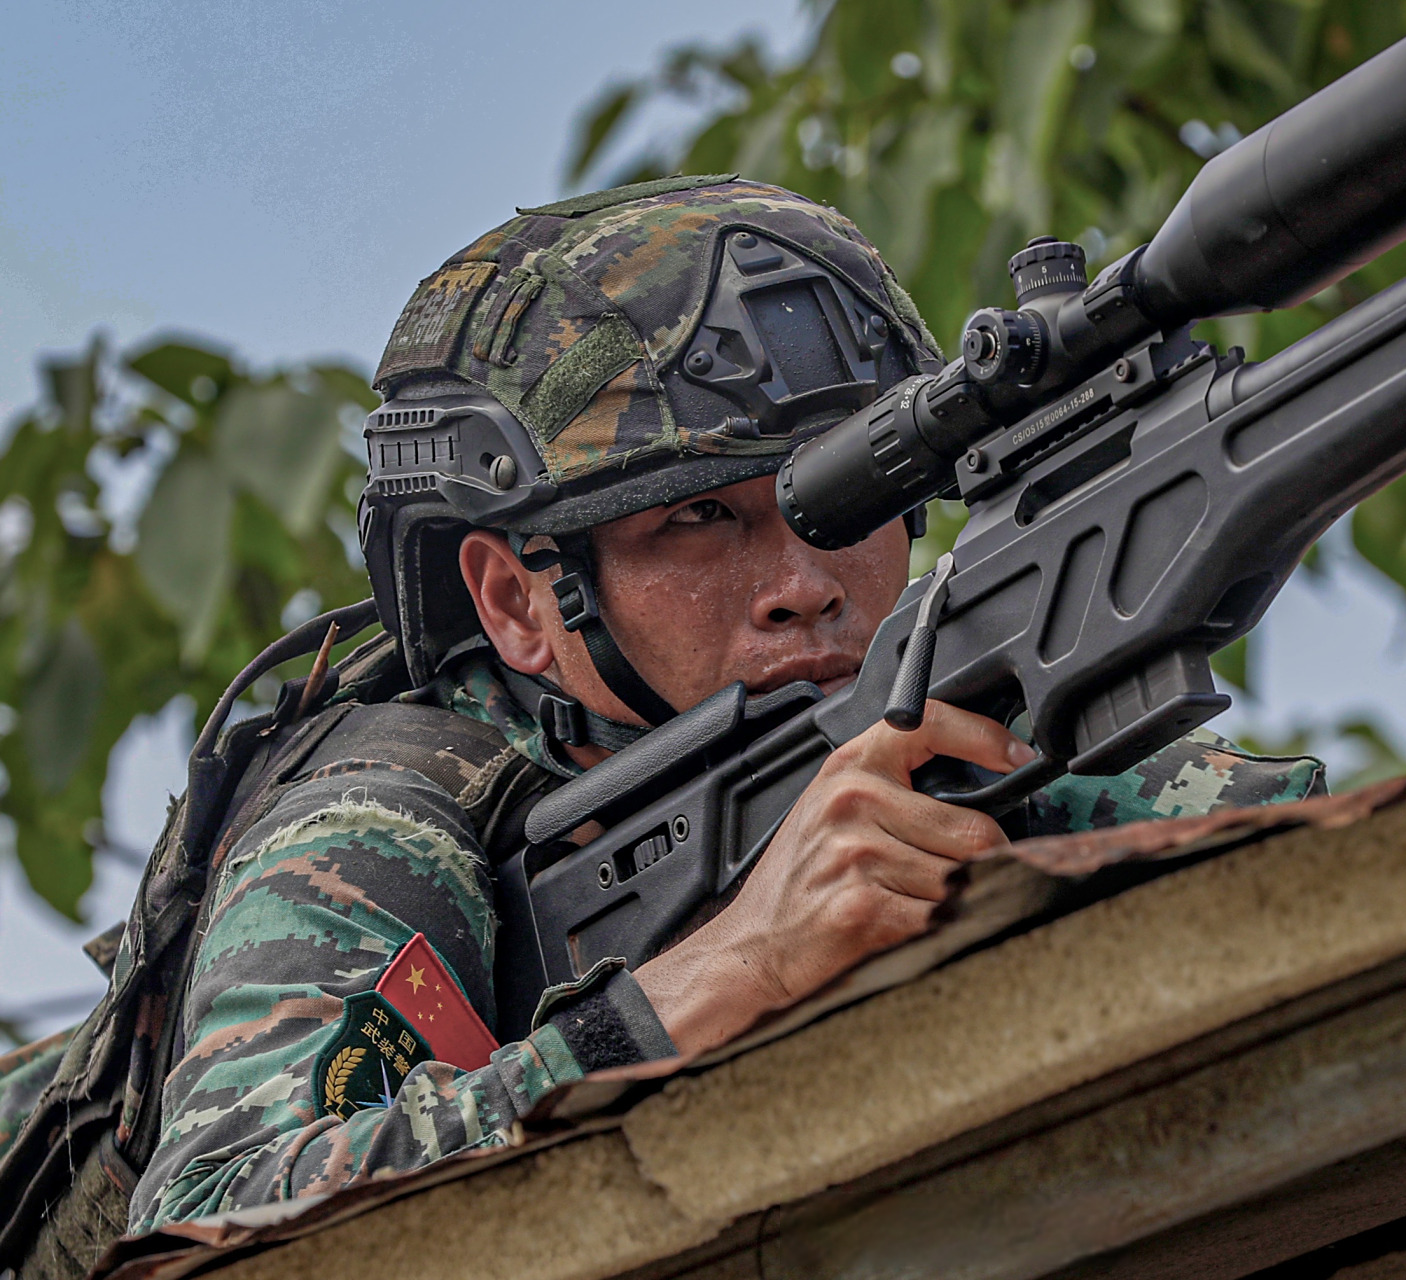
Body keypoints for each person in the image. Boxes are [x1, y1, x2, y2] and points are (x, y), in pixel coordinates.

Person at [0, 178, 1324, 1242]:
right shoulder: (382, 817)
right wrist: (729, 970)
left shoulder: (915, 715)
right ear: (521, 600)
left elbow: (1278, 841)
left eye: (846, 506)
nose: (805, 585)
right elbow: (219, 1215)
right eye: (702, 520)